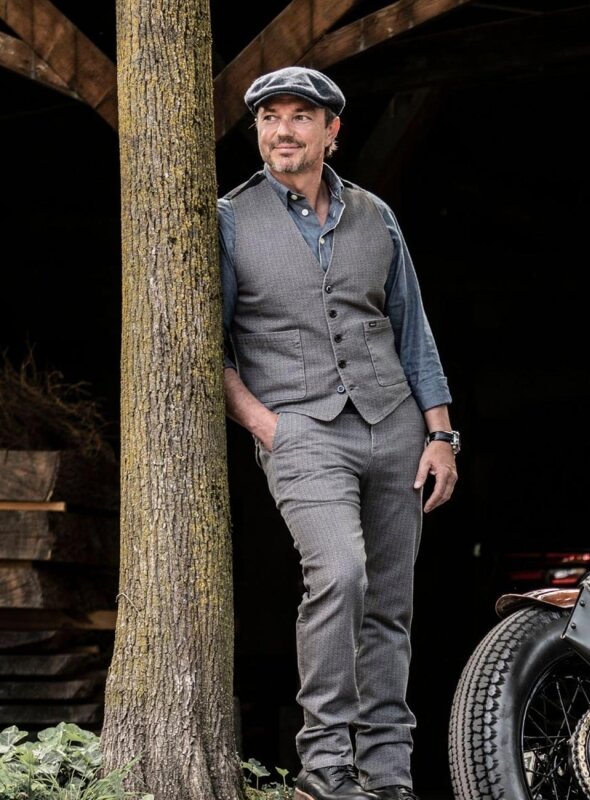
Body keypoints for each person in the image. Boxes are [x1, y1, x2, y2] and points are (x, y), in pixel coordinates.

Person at [217, 65, 459, 800]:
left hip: (394, 427)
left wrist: (441, 435)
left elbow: (412, 329)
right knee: (341, 574)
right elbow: (207, 346)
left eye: (299, 116)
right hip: (302, 432)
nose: (282, 131)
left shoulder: (375, 214)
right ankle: (325, 769)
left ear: (332, 130)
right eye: (269, 118)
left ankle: (387, 774)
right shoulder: (230, 219)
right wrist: (266, 426)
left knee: (390, 604)